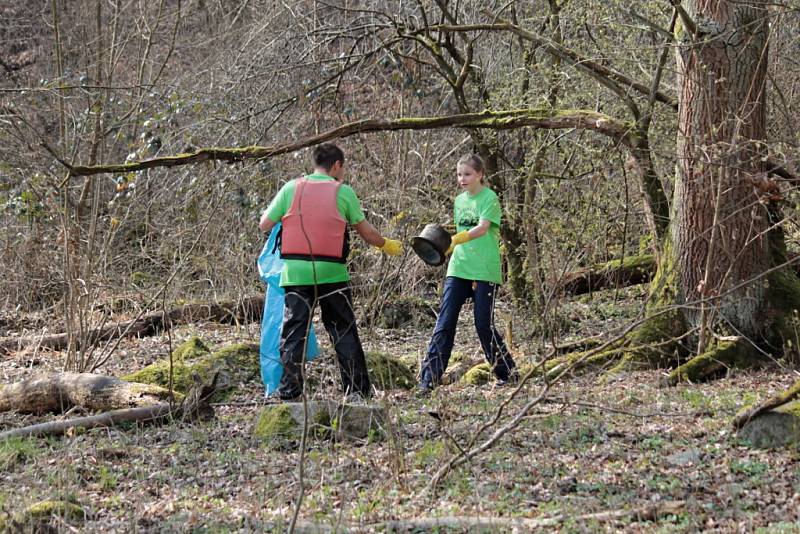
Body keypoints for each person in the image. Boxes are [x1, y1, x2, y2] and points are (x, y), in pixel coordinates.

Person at [258, 143, 402, 401]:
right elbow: (366, 232)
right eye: (342, 167)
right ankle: (357, 391)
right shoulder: (343, 192)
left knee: (293, 333)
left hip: (295, 274)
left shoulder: (291, 188)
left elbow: (264, 223)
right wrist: (386, 245)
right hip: (332, 274)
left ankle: (290, 393)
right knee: (343, 330)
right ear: (336, 165)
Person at [418, 154, 517, 394]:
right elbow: (459, 232)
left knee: (483, 324)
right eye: (459, 174)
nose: (462, 179)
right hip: (459, 267)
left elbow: (483, 228)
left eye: (467, 174)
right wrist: (447, 246)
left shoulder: (489, 198)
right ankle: (428, 380)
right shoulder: (459, 201)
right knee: (445, 322)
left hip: (484, 268)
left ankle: (508, 374)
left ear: (480, 175)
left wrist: (460, 237)